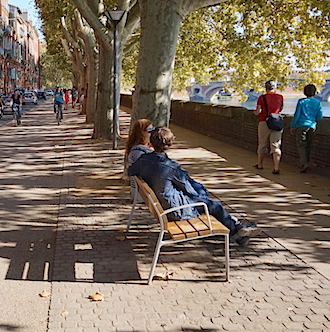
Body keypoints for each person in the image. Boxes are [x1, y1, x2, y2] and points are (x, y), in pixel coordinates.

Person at [128, 127, 260, 246]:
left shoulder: (143, 159)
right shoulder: (170, 167)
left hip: (162, 204)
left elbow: (131, 171)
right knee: (214, 205)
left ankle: (236, 227)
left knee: (202, 192)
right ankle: (237, 233)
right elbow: (188, 189)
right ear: (169, 145)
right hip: (174, 210)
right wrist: (202, 198)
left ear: (151, 142)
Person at [290, 84, 323, 173]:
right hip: (312, 125)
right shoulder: (318, 102)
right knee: (308, 145)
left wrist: (292, 126)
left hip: (301, 125)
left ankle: (304, 163)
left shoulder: (301, 101)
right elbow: (320, 116)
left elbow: (296, 115)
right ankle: (306, 162)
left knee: (301, 145)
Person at [254, 80, 284, 174]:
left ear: (266, 88)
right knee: (275, 145)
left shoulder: (262, 97)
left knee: (262, 143)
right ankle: (276, 167)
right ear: (275, 88)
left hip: (264, 121)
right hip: (276, 122)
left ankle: (260, 164)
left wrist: (255, 112)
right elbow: (280, 109)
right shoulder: (280, 97)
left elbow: (258, 111)